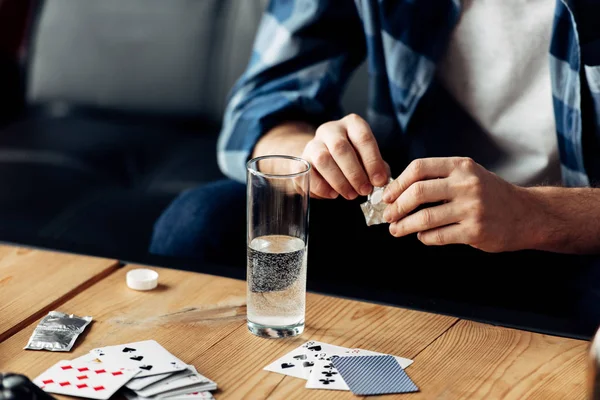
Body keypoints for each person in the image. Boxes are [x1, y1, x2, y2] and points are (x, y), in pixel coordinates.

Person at [150, 0, 600, 335]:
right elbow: (260, 104)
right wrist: (308, 153)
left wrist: (536, 214)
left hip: (579, 241)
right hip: (414, 225)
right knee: (198, 224)